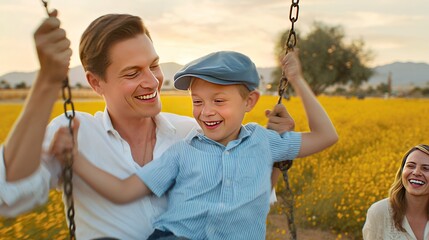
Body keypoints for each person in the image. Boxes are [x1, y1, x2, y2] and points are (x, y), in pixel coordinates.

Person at [0, 13, 294, 239]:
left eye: (154, 65)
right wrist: (47, 81)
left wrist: (275, 155)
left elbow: (244, 201)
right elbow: (9, 195)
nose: (153, 81)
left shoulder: (192, 134)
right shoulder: (76, 133)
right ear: (95, 82)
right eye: (132, 73)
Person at [52, 50, 338, 239]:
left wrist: (297, 80)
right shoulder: (183, 150)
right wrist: (75, 160)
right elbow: (123, 190)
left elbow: (326, 136)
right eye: (197, 101)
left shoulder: (265, 143)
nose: (206, 111)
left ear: (249, 102)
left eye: (219, 101)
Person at [363, 144, 429, 240]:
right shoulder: (379, 212)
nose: (416, 172)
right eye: (410, 166)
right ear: (402, 171)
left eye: (426, 168)